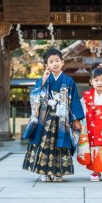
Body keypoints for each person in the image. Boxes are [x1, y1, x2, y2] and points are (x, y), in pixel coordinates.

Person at [23, 48, 84, 182]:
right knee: (44, 143)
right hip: (45, 117)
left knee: (61, 144)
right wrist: (44, 78)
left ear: (62, 62)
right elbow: (35, 95)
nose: (55, 64)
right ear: (47, 65)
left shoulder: (69, 82)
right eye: (51, 62)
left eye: (57, 61)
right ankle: (44, 172)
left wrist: (77, 119)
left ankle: (58, 173)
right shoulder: (44, 80)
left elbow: (74, 100)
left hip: (63, 119)